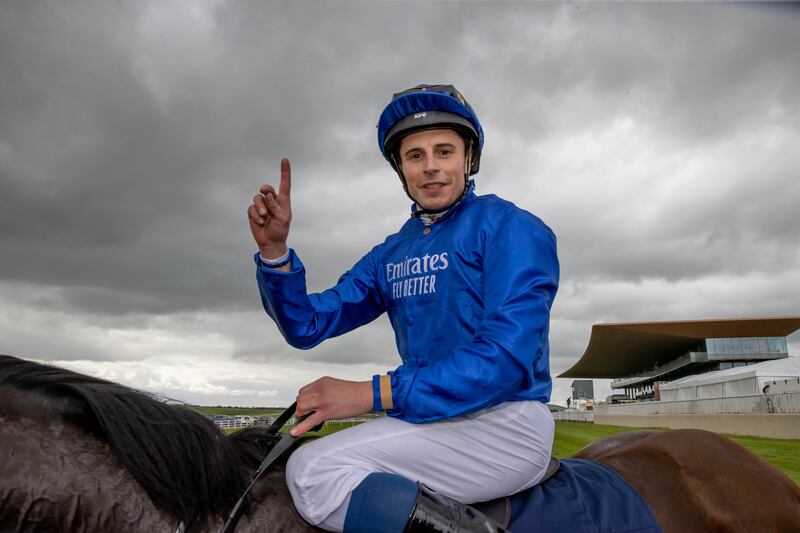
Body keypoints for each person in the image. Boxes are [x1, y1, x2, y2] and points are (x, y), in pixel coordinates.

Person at [247, 84, 559, 533]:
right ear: (401, 170)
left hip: (505, 421)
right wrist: (275, 252)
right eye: (415, 156)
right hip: (432, 419)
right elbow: (307, 324)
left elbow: (505, 359)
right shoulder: (392, 253)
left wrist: (370, 393)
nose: (431, 166)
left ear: (468, 160)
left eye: (445, 151)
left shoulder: (513, 228)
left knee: (313, 471)